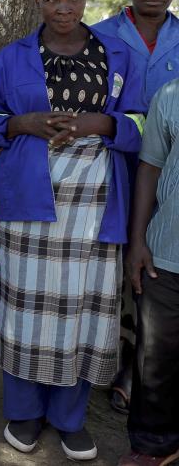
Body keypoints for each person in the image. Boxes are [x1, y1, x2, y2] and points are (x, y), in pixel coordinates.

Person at [0, 0, 147, 461]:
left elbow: (139, 123)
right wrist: (24, 123)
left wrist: (102, 125)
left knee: (82, 307)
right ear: (37, 2)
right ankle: (25, 412)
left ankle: (69, 417)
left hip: (97, 200)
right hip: (30, 197)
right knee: (27, 307)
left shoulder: (116, 54)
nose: (63, 8)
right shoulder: (12, 57)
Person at [93, 0, 179, 416]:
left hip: (169, 173)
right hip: (112, 166)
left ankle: (144, 369)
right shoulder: (100, 35)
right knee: (114, 259)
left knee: (155, 265)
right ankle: (114, 360)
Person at [118, 79, 179, 466]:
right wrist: (138, 240)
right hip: (167, 252)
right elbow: (151, 166)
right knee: (156, 357)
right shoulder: (172, 94)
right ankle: (155, 445)